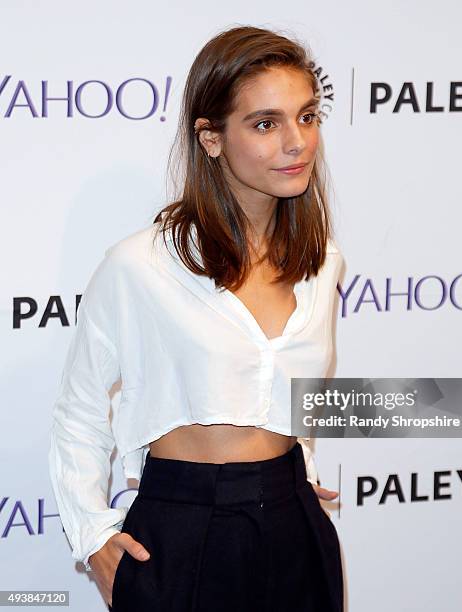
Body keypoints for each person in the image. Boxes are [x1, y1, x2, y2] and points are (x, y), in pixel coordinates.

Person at [48, 24, 344, 612]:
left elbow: (289, 388)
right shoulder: (140, 266)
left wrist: (297, 469)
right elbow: (79, 411)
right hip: (182, 528)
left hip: (294, 522)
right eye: (266, 124)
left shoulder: (321, 260)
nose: (297, 142)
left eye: (306, 116)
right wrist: (94, 537)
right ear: (210, 138)